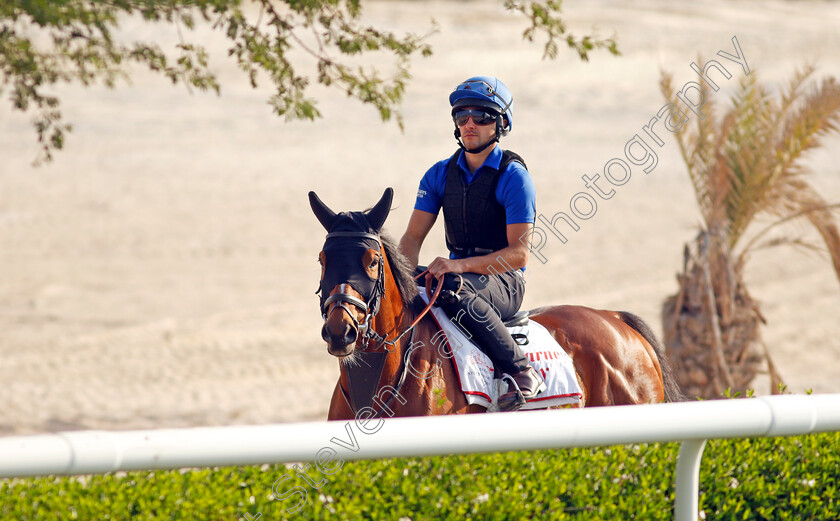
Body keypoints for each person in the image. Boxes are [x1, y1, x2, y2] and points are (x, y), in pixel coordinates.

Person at [398, 76, 544, 412]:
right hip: (457, 275)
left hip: (504, 281)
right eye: (461, 117)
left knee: (450, 286)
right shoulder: (437, 174)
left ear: (502, 124)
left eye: (481, 116)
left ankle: (520, 370)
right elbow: (412, 239)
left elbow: (519, 254)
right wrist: (403, 278)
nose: (469, 124)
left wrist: (457, 266)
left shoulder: (514, 177)